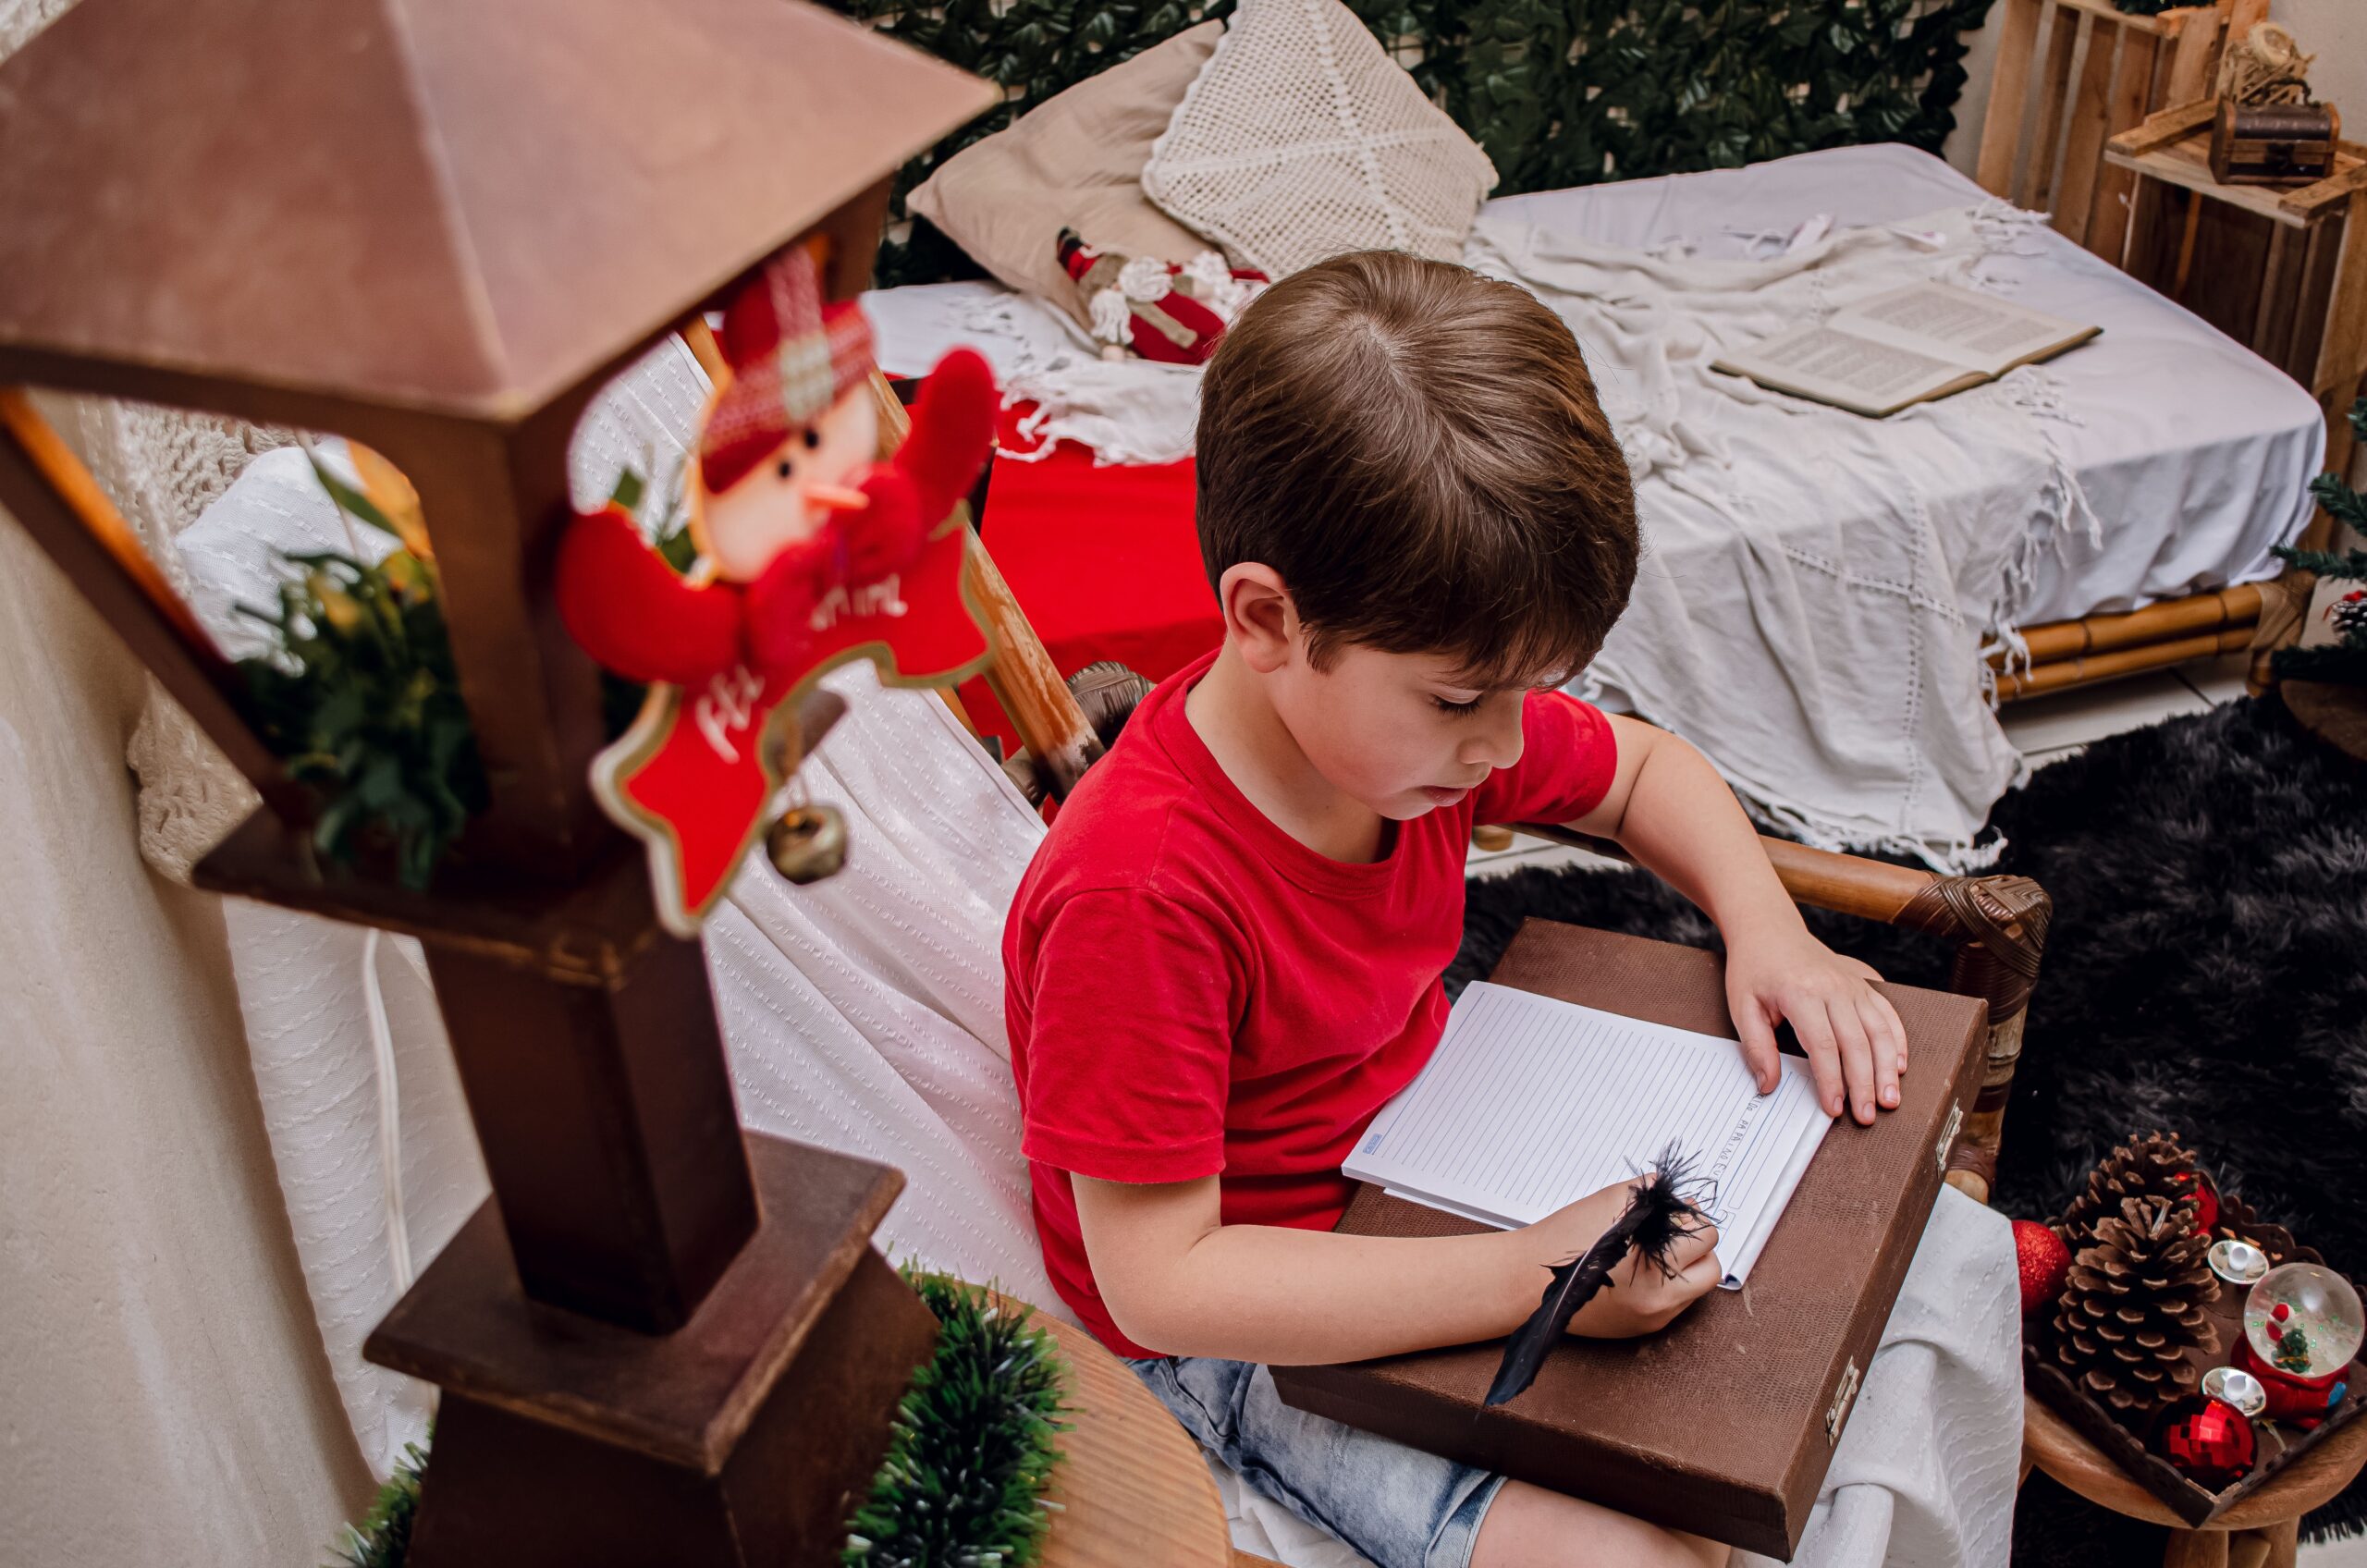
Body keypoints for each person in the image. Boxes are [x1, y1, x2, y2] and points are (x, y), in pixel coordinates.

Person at [1002, 251, 1908, 1568]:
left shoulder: (1409, 740)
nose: (1501, 747)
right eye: (1460, 699)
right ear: (1265, 618)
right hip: (1248, 1325)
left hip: (1440, 1165)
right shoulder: (1142, 892)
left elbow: (1646, 768)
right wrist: (1531, 1278)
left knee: (1814, 1366)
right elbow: (1162, 1283)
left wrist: (1764, 926)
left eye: (1527, 692)